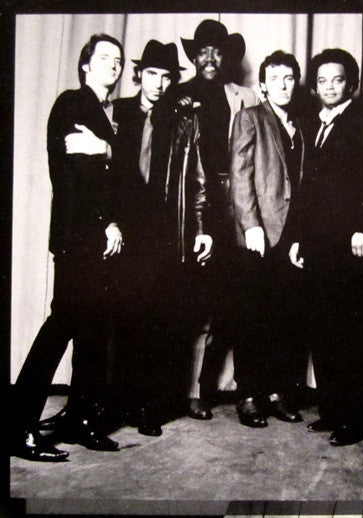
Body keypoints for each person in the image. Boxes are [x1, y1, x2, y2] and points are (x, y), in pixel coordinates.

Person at [10, 34, 125, 461]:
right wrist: (106, 221)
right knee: (64, 324)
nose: (113, 65)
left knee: (93, 330)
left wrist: (107, 150)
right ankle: (17, 426)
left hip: (94, 235)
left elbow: (111, 174)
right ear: (85, 65)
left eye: (118, 60)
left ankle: (81, 420)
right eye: (104, 58)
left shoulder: (102, 113)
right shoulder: (74, 103)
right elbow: (82, 172)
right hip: (79, 236)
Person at [288, 48, 363, 446]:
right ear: (315, 87)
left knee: (352, 332)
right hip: (318, 244)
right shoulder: (312, 123)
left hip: (351, 244)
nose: (330, 87)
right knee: (324, 328)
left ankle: (358, 417)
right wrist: (298, 237)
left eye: (338, 79)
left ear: (352, 84)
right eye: (322, 81)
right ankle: (332, 410)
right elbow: (306, 190)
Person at [111, 40, 212, 436]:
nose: (158, 83)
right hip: (123, 228)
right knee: (123, 316)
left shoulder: (185, 119)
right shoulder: (117, 112)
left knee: (160, 320)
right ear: (139, 75)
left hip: (165, 233)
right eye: (152, 74)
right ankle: (118, 403)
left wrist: (200, 230)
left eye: (167, 76)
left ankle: (151, 407)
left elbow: (199, 181)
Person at [171, 19, 259, 419]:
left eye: (217, 51)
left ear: (227, 57)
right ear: (194, 56)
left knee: (242, 300)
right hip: (195, 208)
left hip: (238, 204)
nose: (210, 58)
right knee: (197, 301)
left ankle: (244, 390)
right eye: (203, 51)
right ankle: (194, 392)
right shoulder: (178, 96)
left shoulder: (245, 96)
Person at [229, 50, 306, 428]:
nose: (283, 85)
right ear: (262, 85)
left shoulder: (301, 125)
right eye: (275, 79)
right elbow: (239, 174)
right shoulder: (250, 117)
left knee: (284, 317)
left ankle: (276, 393)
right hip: (259, 234)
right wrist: (251, 226)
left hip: (290, 236)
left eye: (289, 78)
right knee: (252, 317)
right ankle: (248, 395)